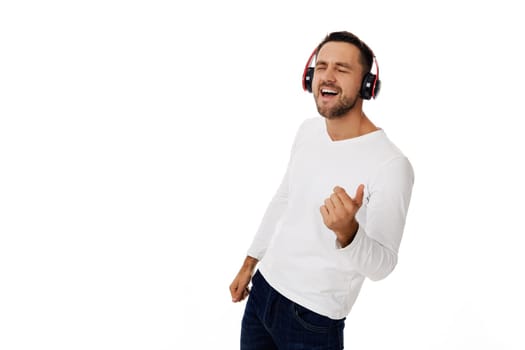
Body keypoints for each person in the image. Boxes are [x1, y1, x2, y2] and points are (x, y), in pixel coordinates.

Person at [229, 31, 414, 350]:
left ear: (366, 85)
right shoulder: (309, 130)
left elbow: (383, 265)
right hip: (263, 293)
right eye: (322, 66)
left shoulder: (391, 164)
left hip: (312, 319)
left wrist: (349, 233)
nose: (327, 76)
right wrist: (250, 263)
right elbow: (285, 198)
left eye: (342, 69)